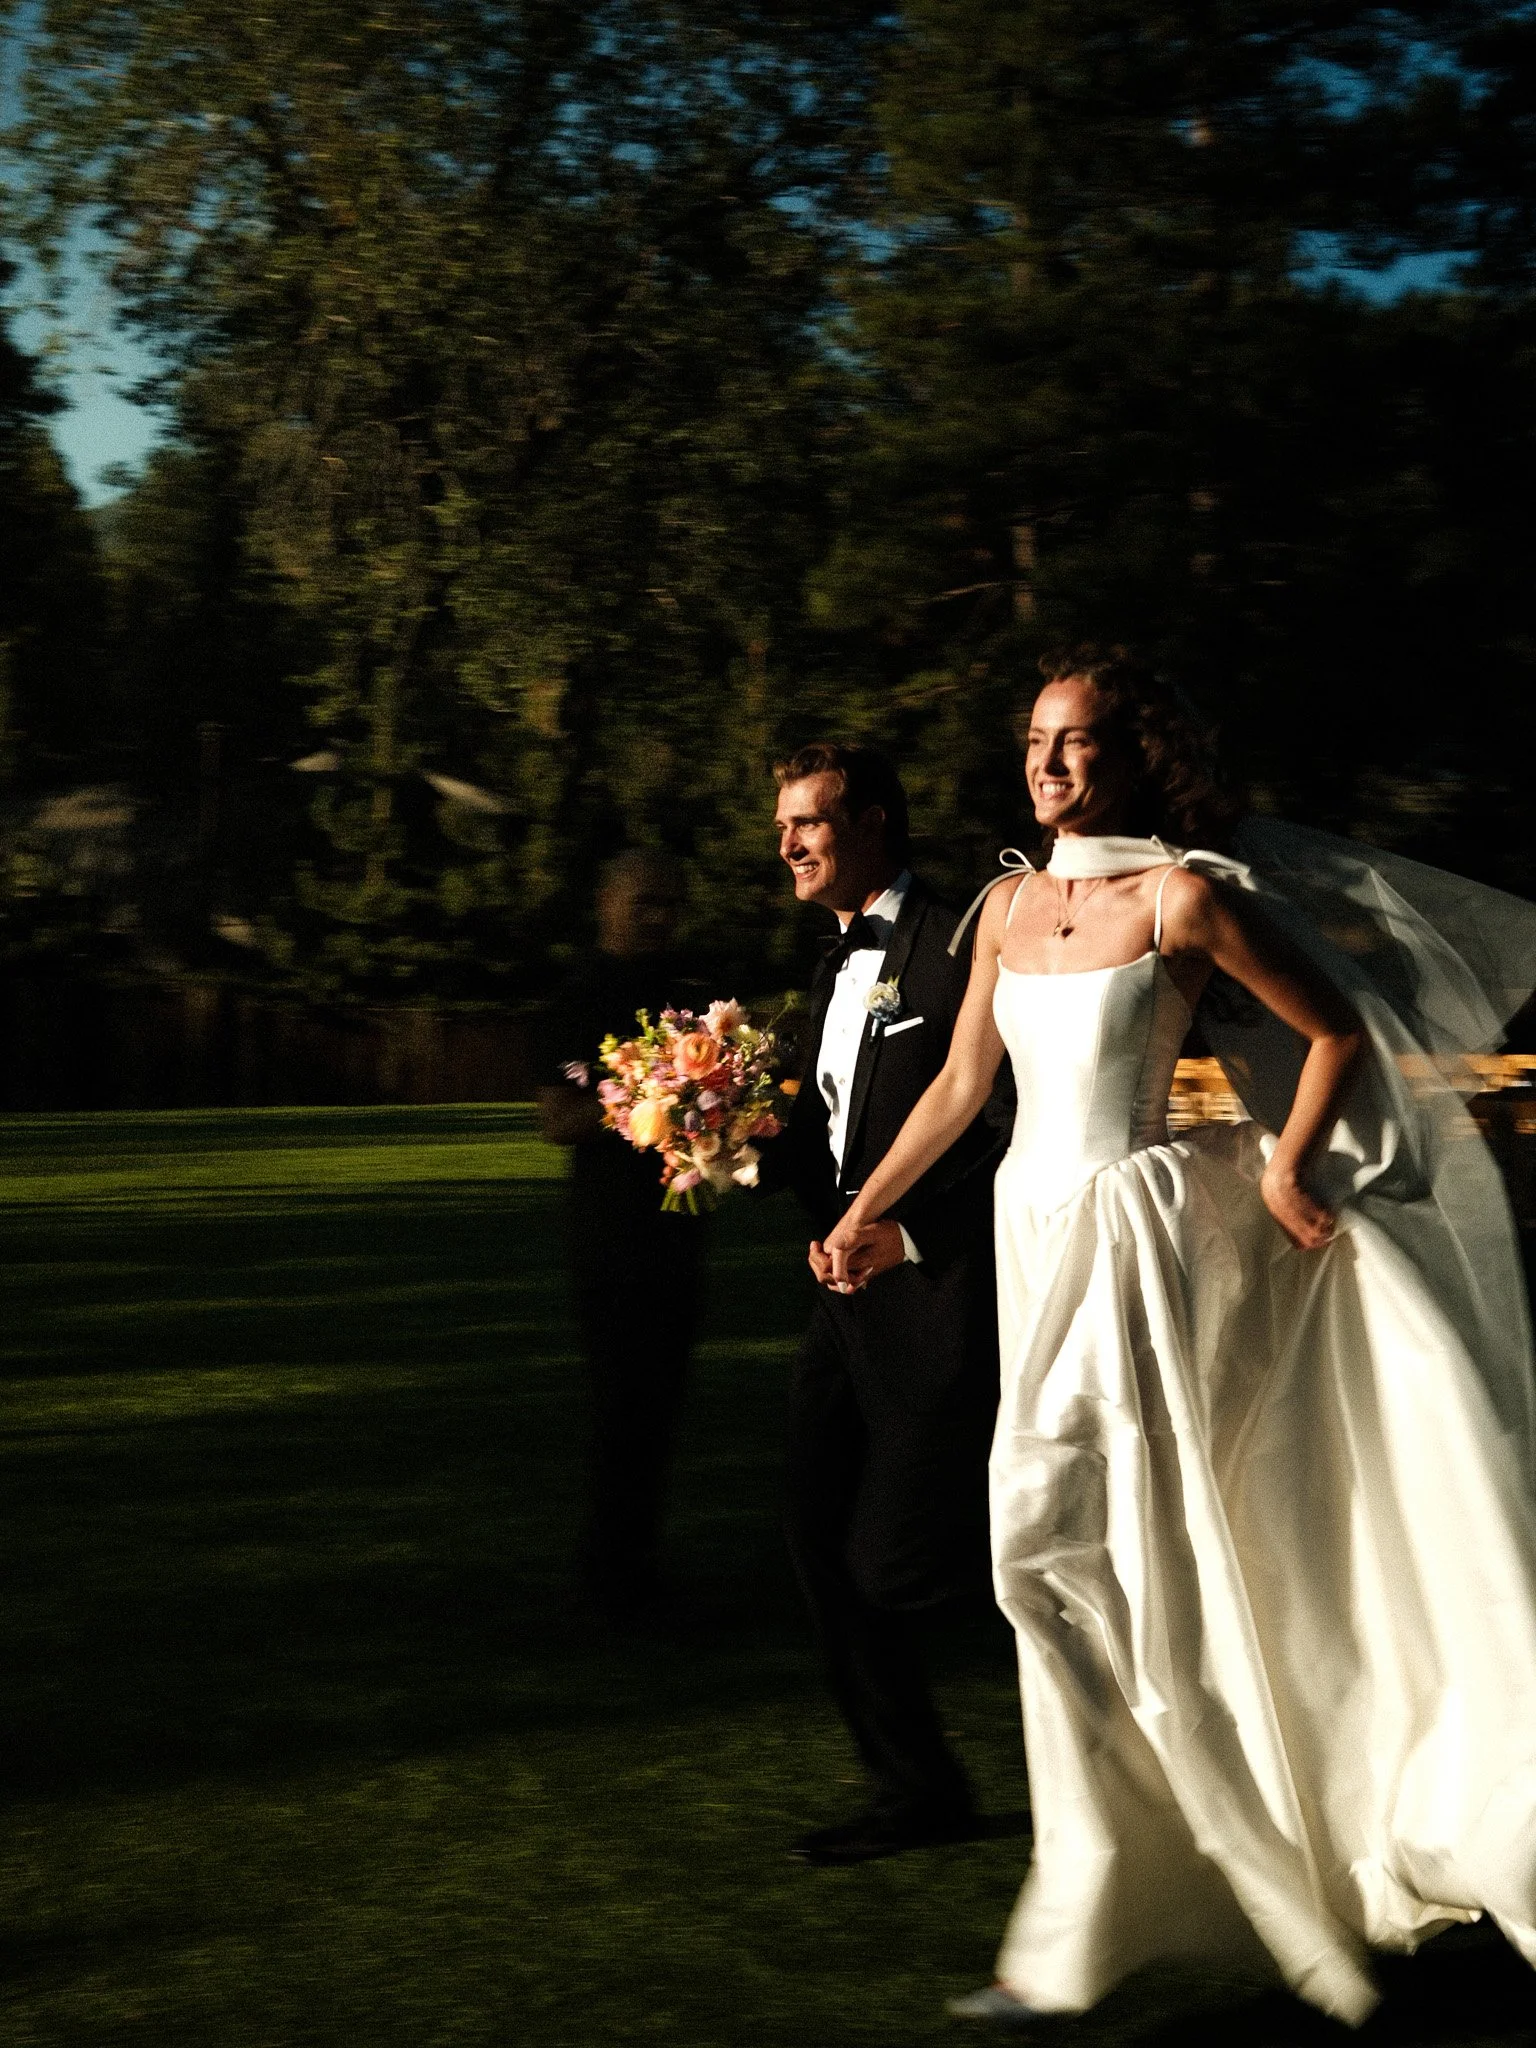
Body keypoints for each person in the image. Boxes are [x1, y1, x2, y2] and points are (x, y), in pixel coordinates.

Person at [826, 649, 1536, 2027]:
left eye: (1080, 743)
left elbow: (1333, 1031)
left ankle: (1173, 1885)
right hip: (1035, 1237)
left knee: (1076, 1545)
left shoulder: (1184, 897)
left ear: (1136, 757)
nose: (1050, 764)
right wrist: (868, 1207)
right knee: (1044, 1561)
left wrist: (1286, 1171)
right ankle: (1088, 1907)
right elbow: (968, 1084)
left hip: (1133, 1239)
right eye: (1037, 739)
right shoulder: (1005, 906)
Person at [764, 742, 1010, 1867]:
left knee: (905, 1558)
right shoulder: (829, 965)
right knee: (815, 1533)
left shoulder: (958, 945)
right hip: (842, 1297)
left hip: (940, 1293)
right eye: (783, 826)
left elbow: (1005, 1120)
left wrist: (903, 1231)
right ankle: (914, 1787)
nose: (789, 844)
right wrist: (715, 1134)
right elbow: (836, 1132)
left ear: (870, 820)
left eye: (809, 821)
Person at [536, 847, 707, 1619]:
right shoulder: (577, 1001)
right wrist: (645, 1101)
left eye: (669, 904)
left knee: (662, 1407)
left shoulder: (688, 996)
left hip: (679, 1231)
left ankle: (636, 1563)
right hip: (609, 1236)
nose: (659, 919)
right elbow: (559, 1120)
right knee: (619, 1408)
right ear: (607, 903)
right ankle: (605, 1576)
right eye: (644, 903)